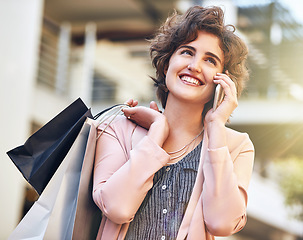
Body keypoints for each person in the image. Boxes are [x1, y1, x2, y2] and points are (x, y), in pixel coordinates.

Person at [92, 5, 255, 240]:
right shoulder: (118, 129)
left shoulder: (237, 146)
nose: (195, 66)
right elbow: (117, 208)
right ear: (167, 63)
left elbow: (222, 223)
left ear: (224, 80)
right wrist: (157, 132)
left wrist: (216, 127)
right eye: (187, 52)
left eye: (210, 60)